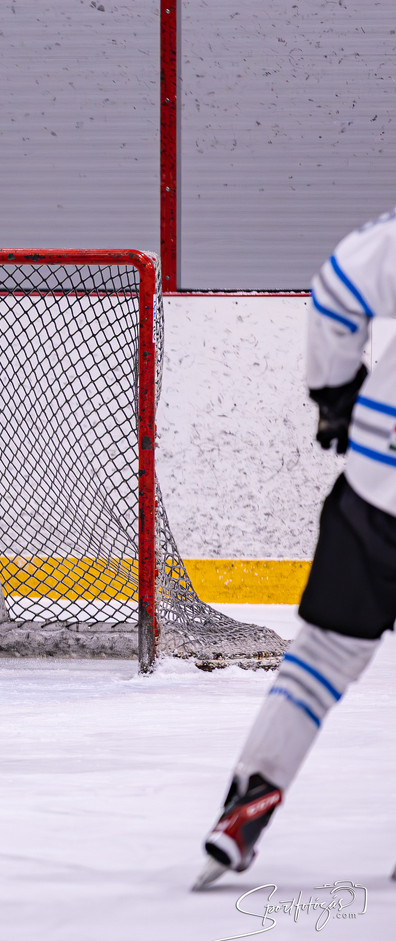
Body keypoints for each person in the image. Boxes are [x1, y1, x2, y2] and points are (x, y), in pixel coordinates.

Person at [194, 207, 396, 889]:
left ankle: (246, 805)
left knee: (323, 657)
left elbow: (339, 288)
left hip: (379, 482)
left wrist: (336, 394)